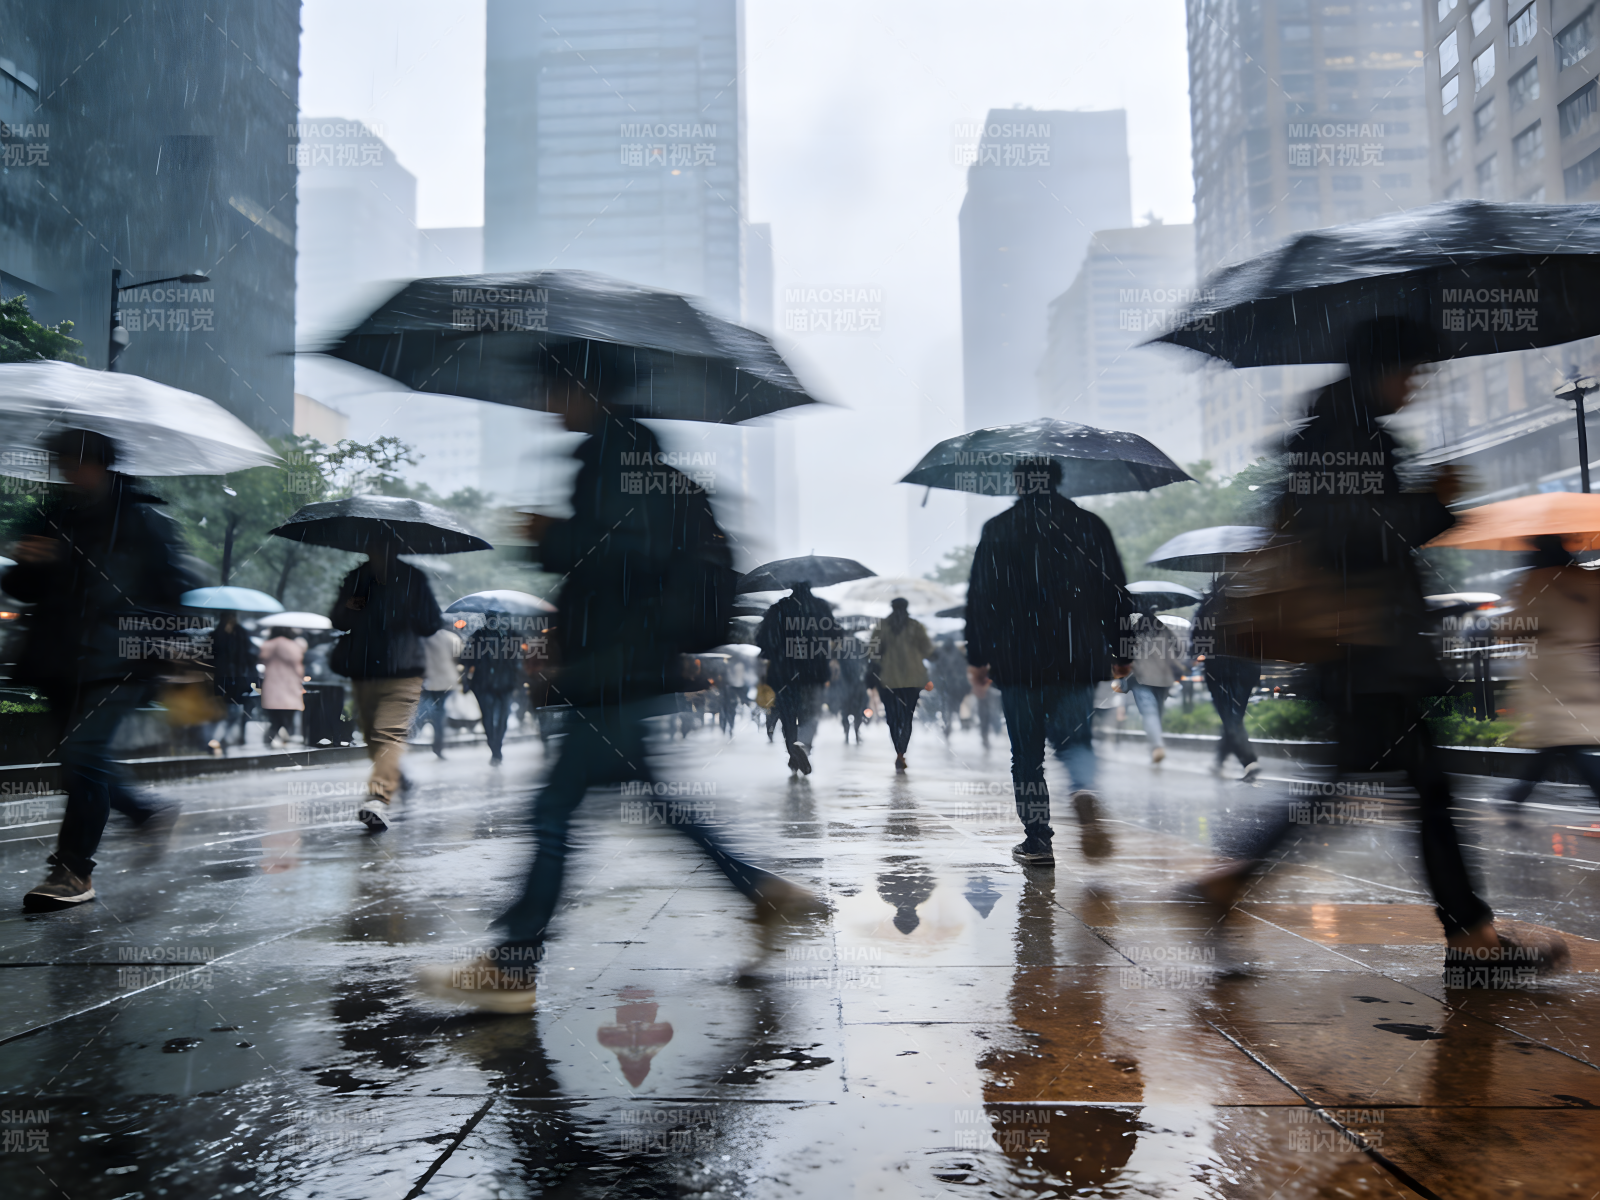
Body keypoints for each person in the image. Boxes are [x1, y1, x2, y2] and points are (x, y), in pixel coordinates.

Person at [418, 370, 821, 1011]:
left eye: (551, 389)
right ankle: (763, 894)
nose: (544, 404)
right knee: (657, 804)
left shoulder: (617, 455)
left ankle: (514, 964)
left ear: (585, 388)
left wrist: (551, 536)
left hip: (618, 665)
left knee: (553, 812)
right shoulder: (628, 453)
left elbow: (625, 556)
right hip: (625, 663)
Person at [1190, 318, 1567, 984]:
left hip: (1366, 648)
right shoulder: (1346, 436)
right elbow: (1348, 536)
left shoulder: (1346, 429)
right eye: (1410, 370)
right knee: (1419, 788)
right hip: (1364, 646)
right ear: (1378, 369)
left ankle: (1467, 936)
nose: (1417, 384)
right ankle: (1470, 940)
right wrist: (1432, 504)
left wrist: (1424, 502)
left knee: (1402, 786)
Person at [9, 429, 202, 911]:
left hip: (119, 661)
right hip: (56, 658)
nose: (66, 474)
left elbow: (176, 593)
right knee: (77, 761)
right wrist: (26, 562)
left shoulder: (144, 520)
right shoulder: (50, 515)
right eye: (59, 464)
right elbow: (23, 586)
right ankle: (144, 810)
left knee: (83, 751)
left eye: (74, 464)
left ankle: (72, 871)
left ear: (101, 464)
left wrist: (159, 646)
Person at [966, 458, 1134, 867]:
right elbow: (1116, 593)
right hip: (1076, 658)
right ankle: (1083, 789)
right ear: (1058, 481)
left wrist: (978, 659)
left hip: (1018, 662)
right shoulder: (1089, 525)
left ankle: (1038, 842)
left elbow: (980, 600)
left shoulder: (999, 529)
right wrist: (1122, 651)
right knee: (1076, 742)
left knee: (1026, 757)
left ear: (1017, 483)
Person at [329, 537, 442, 831]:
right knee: (373, 737)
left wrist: (405, 606)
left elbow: (431, 623)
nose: (378, 552)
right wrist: (358, 601)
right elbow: (338, 619)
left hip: (403, 670)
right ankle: (395, 773)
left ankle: (377, 798)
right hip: (363, 670)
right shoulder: (358, 577)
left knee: (388, 734)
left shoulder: (413, 579)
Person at [1501, 536, 1600, 805]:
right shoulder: (1587, 579)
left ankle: (1516, 796)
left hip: (1552, 674)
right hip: (1585, 668)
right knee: (1563, 739)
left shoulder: (1537, 582)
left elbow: (1512, 626)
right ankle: (1517, 796)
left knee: (1561, 739)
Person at [755, 581, 833, 775]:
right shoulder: (820, 607)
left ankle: (793, 749)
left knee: (788, 717)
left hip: (783, 673)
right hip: (812, 673)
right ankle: (803, 746)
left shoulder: (778, 608)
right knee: (809, 715)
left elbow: (762, 639)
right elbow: (835, 632)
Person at [1194, 579, 1261, 781]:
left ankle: (1249, 761)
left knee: (1229, 716)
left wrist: (1199, 653)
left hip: (1219, 667)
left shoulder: (1208, 606)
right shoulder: (1250, 605)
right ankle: (1219, 761)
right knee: (1234, 716)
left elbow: (1197, 639)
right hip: (1248, 667)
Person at [870, 598, 935, 772]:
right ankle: (901, 753)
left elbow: (872, 652)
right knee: (907, 716)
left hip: (888, 678)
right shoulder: (915, 626)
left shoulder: (882, 626)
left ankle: (898, 750)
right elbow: (928, 650)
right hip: (912, 680)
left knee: (891, 717)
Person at [1122, 603, 1186, 764]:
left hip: (1140, 677)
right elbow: (1178, 649)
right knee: (1156, 711)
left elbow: (1123, 653)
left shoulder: (1132, 630)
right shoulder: (1163, 628)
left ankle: (1157, 747)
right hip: (1163, 677)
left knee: (1149, 712)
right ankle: (1156, 746)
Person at [463, 617, 523, 764]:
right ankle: (497, 749)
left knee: (489, 717)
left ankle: (495, 750)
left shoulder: (478, 635)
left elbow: (466, 658)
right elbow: (517, 659)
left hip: (485, 683)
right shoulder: (510, 633)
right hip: (503, 683)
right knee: (502, 717)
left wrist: (466, 680)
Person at [412, 620, 463, 759]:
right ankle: (438, 746)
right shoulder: (452, 637)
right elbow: (460, 657)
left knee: (424, 709)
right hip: (447, 681)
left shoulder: (421, 638)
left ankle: (412, 735)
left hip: (428, 680)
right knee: (439, 713)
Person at [207, 610, 256, 753]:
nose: (232, 620)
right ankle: (217, 739)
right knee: (223, 710)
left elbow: (248, 655)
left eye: (233, 617)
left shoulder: (241, 634)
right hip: (221, 677)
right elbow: (212, 656)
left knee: (236, 710)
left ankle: (223, 739)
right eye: (228, 617)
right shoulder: (216, 635)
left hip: (238, 678)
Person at [258, 626, 307, 747]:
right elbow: (298, 668)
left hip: (271, 687)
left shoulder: (267, 645)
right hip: (289, 687)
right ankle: (283, 738)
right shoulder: (293, 646)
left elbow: (261, 662)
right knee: (287, 718)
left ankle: (271, 738)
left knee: (274, 718)